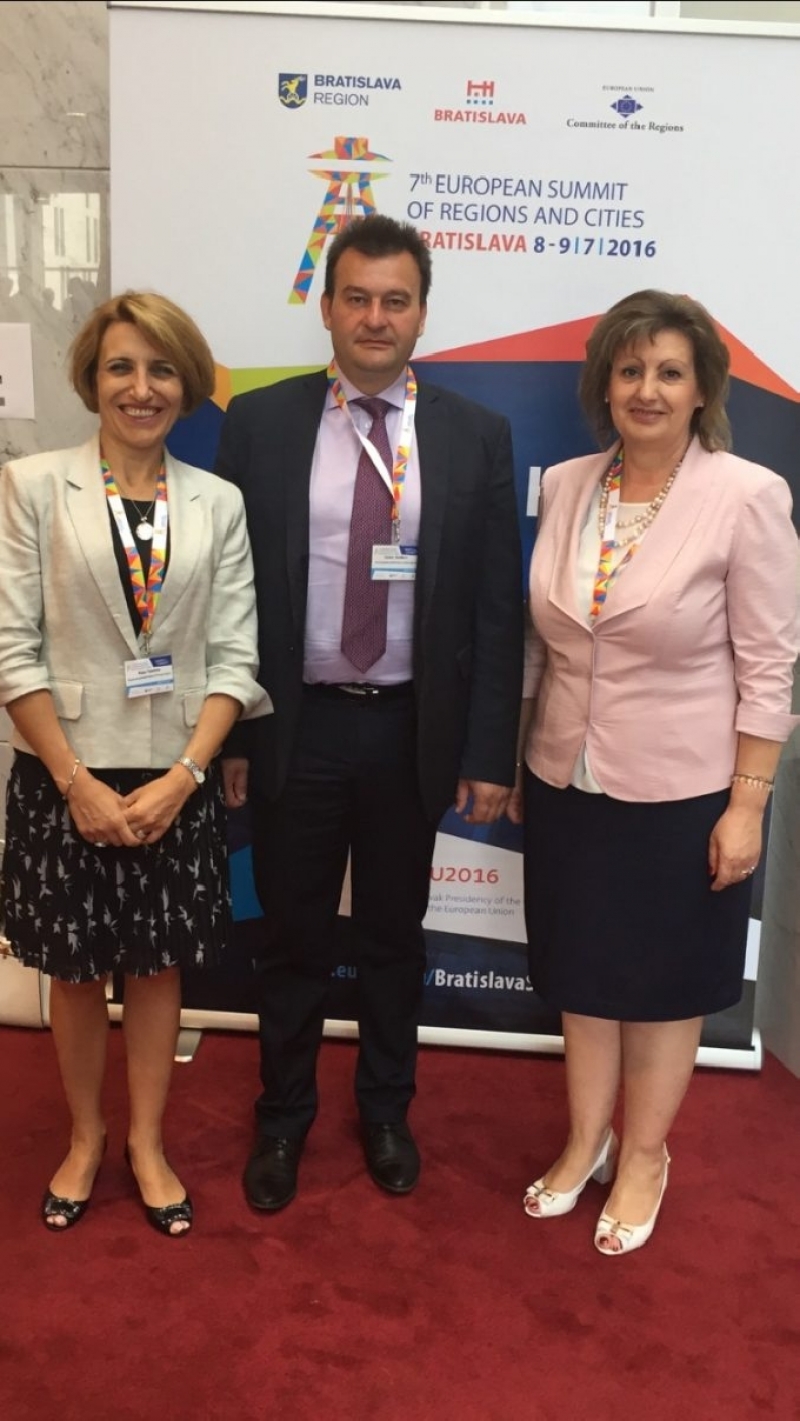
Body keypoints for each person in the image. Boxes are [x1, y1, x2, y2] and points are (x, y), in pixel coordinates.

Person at [216, 214, 523, 1211]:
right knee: (293, 938)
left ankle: (386, 1110)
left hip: (408, 730)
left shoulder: (474, 435)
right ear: (327, 307)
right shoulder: (260, 423)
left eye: (395, 300)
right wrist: (231, 731)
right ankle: (283, 1117)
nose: (375, 317)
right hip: (293, 724)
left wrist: (488, 751)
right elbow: (228, 593)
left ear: (422, 314)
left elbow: (495, 610)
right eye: (357, 297)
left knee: (394, 936)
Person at [509, 289, 798, 1256]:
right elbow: (544, 642)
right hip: (566, 777)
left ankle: (644, 1155)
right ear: (605, 382)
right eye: (630, 369)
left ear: (702, 387)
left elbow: (769, 665)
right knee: (583, 973)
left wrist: (748, 805)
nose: (647, 389)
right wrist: (521, 756)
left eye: (670, 372)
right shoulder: (568, 485)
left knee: (665, 982)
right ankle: (585, 1138)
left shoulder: (746, 495)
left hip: (685, 790)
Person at [0, 292, 269, 1236]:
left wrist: (186, 777)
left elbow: (235, 659)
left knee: (157, 970)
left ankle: (148, 1143)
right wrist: (74, 781)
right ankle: (86, 1137)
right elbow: (12, 649)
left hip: (173, 777)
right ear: (92, 378)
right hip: (63, 772)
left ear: (186, 385)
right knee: (75, 972)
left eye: (160, 370)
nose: (140, 388)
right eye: (121, 366)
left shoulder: (218, 503)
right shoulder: (34, 486)